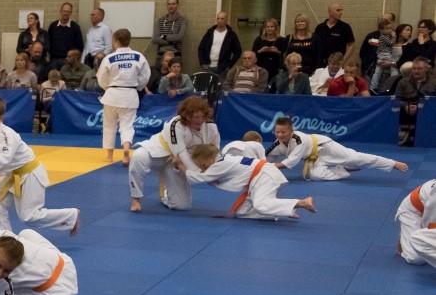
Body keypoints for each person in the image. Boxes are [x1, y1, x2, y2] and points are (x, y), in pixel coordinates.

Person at [0, 95, 79, 234]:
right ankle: (4, 236)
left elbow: (4, 159)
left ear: (0, 117)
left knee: (29, 216)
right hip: (13, 175)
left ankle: (70, 215)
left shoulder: (7, 134)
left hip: (30, 173)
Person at [126, 95, 220, 213]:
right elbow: (181, 154)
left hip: (176, 163)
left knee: (181, 206)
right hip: (160, 153)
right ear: (187, 116)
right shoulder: (176, 124)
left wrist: (215, 174)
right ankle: (136, 198)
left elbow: (214, 153)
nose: (200, 120)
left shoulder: (211, 128)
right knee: (138, 156)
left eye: (203, 116)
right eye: (196, 117)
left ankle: (165, 191)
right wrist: (199, 175)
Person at [184, 143, 314, 219]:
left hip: (263, 175)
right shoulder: (223, 159)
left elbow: (200, 178)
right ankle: (282, 210)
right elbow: (207, 175)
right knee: (242, 212)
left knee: (261, 205)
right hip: (260, 176)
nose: (203, 168)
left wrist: (182, 167)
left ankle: (301, 203)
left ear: (208, 159)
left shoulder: (219, 165)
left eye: (203, 165)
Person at [265, 116, 406, 180]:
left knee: (355, 158)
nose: (280, 135)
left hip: (324, 147)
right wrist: (263, 168)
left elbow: (292, 161)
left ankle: (392, 163)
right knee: (312, 176)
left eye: (283, 132)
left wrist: (271, 167)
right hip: (313, 158)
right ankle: (342, 170)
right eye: (277, 132)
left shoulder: (298, 139)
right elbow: (265, 159)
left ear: (291, 131)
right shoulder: (276, 144)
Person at [96, 28, 151, 163]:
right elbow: (146, 75)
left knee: (109, 125)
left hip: (112, 94)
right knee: (127, 125)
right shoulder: (138, 56)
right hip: (130, 94)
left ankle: (109, 155)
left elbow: (101, 77)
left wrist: (107, 87)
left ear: (116, 41)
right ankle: (126, 149)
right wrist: (138, 86)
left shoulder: (109, 58)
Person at [394, 177, 436, 267]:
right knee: (415, 258)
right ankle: (405, 238)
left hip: (428, 212)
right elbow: (430, 224)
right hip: (413, 212)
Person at [153, 0, 187, 68]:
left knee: (174, 74)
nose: (171, 6)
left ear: (177, 5)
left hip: (176, 53)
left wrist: (163, 36)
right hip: (161, 54)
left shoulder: (182, 20)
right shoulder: (160, 20)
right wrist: (172, 41)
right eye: (169, 4)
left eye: (173, 4)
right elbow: (155, 39)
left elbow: (179, 37)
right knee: (158, 74)